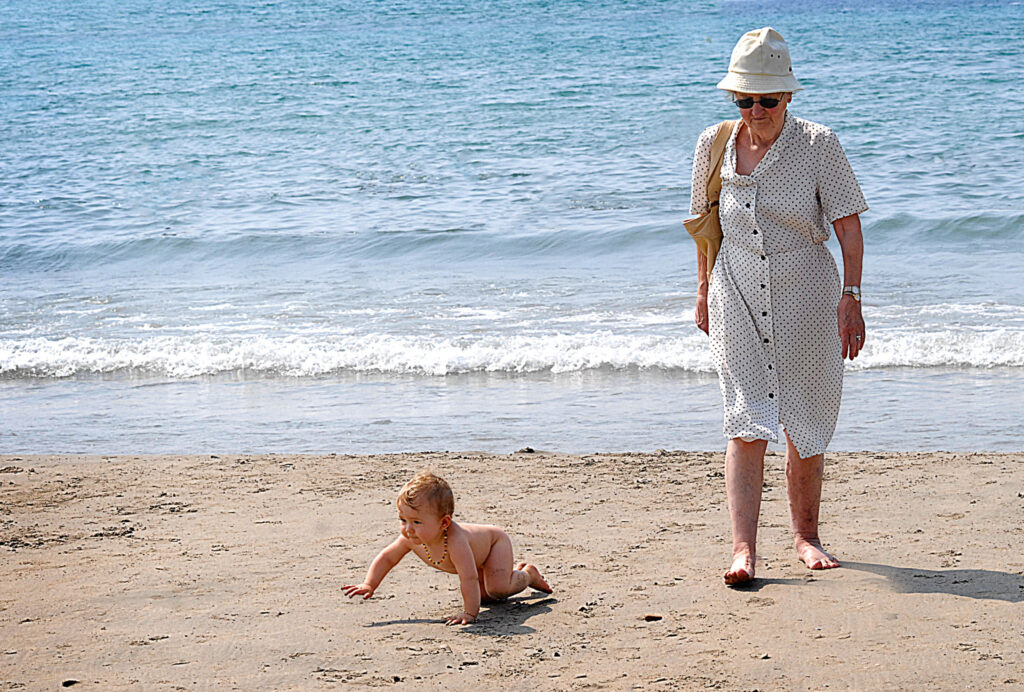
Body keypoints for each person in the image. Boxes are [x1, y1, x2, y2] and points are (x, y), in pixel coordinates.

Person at [689, 28, 868, 585]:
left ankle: (806, 537)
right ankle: (744, 550)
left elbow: (848, 227)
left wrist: (852, 297)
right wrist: (702, 291)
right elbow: (705, 227)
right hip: (736, 287)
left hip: (808, 293)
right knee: (745, 419)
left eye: (767, 99)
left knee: (805, 418)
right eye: (745, 99)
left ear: (788, 95)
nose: (756, 109)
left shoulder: (819, 144)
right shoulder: (712, 145)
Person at [342, 471, 552, 624]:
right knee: (488, 597)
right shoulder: (409, 538)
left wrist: (470, 613)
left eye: (416, 522)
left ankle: (527, 574)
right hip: (477, 556)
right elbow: (387, 558)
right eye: (403, 519)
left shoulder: (455, 540)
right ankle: (515, 574)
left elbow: (468, 578)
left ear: (444, 523)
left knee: (498, 588)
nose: (408, 529)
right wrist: (369, 584)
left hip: (494, 545)